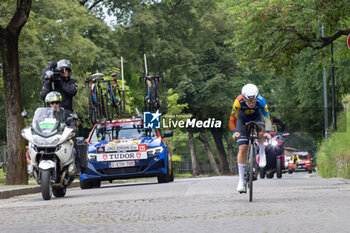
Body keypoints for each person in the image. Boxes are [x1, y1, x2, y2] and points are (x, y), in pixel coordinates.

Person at [229, 84, 272, 193]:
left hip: (257, 117)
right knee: (243, 148)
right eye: (249, 101)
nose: (251, 104)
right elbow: (231, 120)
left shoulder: (261, 101)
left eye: (253, 101)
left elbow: (267, 118)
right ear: (244, 98)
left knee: (261, 132)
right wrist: (234, 132)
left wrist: (267, 132)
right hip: (242, 119)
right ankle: (241, 180)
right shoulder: (238, 102)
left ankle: (262, 152)